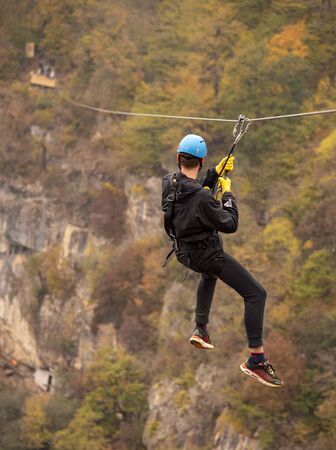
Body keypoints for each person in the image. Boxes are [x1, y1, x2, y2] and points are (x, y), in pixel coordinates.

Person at [162, 134, 283, 388]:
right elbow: (230, 223)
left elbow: (194, 191)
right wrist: (227, 194)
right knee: (256, 294)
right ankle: (256, 360)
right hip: (207, 255)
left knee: (208, 275)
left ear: (177, 158)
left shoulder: (169, 184)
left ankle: (200, 328)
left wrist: (215, 173)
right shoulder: (203, 199)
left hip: (185, 253)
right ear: (202, 159)